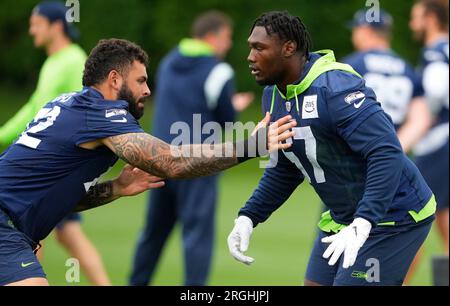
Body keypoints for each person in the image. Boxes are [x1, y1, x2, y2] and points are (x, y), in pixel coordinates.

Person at [0, 38, 295, 286]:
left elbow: (58, 198)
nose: (147, 90)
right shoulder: (102, 115)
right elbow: (170, 161)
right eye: (140, 80)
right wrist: (251, 145)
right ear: (114, 79)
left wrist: (115, 188)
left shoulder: (69, 105)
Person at [227, 11, 436, 286]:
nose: (250, 57)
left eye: (259, 48)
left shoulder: (334, 88)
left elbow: (386, 152)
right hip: (345, 217)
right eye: (250, 47)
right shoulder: (274, 95)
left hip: (394, 215)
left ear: (288, 48)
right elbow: (288, 166)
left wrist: (364, 221)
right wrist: (249, 216)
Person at [129, 11, 253, 286]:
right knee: (197, 235)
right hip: (197, 164)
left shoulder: (169, 61)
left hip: (159, 159)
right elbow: (226, 118)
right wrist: (235, 106)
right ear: (212, 36)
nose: (229, 44)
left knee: (153, 233)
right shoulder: (219, 70)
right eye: (227, 38)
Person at [0, 1, 111, 285]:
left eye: (36, 23)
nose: (31, 29)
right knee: (51, 235)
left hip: (57, 169)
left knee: (61, 235)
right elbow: (34, 108)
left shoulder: (72, 60)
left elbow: (57, 113)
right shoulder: (54, 61)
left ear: (56, 26)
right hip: (47, 168)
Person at [343, 9, 431, 153]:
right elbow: (420, 120)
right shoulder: (408, 69)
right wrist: (393, 151)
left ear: (365, 30)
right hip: (391, 154)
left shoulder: (351, 65)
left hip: (357, 151)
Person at [407, 0, 449, 284]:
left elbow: (436, 90)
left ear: (431, 19)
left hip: (438, 144)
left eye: (416, 17)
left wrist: (420, 115)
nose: (412, 24)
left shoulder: (435, 53)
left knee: (409, 225)